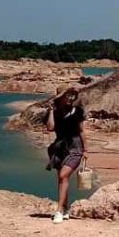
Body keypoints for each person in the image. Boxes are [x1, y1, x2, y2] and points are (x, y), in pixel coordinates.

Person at [45, 86, 87, 223]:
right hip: (60, 147)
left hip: (75, 147)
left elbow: (81, 131)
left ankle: (58, 211)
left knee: (63, 176)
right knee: (62, 179)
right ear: (60, 97)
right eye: (67, 95)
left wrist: (86, 150)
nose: (70, 98)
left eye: (72, 96)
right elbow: (50, 128)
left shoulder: (77, 111)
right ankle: (66, 209)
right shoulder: (54, 113)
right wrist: (51, 111)